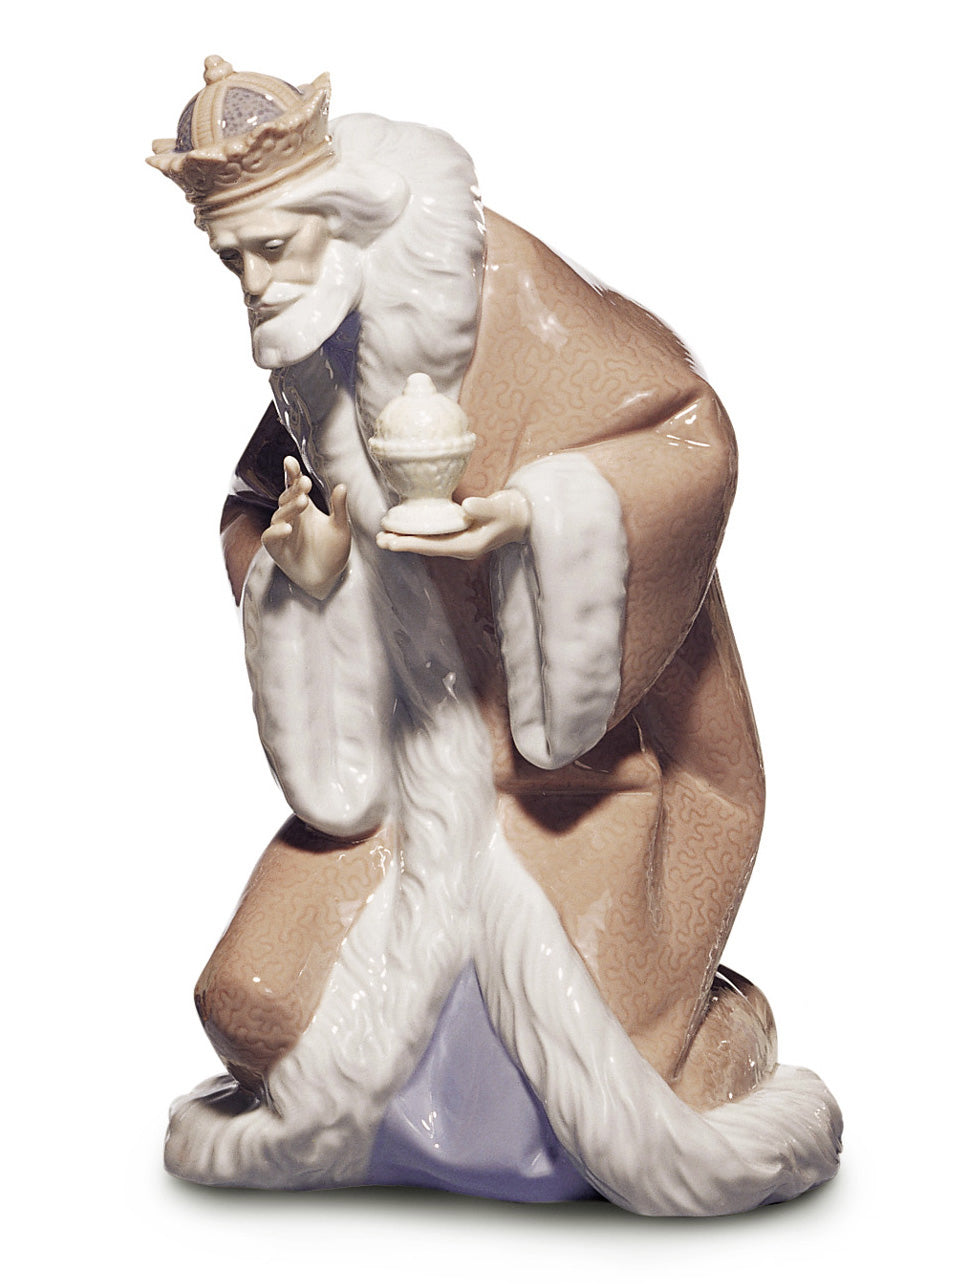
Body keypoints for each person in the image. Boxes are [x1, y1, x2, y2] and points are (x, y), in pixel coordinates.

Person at [149, 56, 841, 1213]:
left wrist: (531, 517)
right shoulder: (314, 350)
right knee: (258, 1008)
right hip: (410, 771)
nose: (257, 287)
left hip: (589, 767)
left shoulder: (494, 287)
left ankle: (719, 1018)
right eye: (233, 262)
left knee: (579, 1078)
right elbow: (257, 504)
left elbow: (686, 440)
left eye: (272, 248)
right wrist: (304, 574)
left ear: (344, 213)